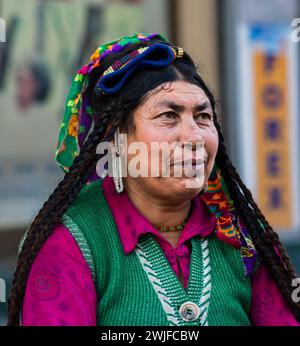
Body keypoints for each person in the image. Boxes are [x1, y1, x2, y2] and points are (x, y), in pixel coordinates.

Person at [7, 32, 300, 326]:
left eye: (203, 117)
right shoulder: (69, 240)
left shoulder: (244, 235)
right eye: (169, 115)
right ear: (118, 136)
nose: (194, 136)